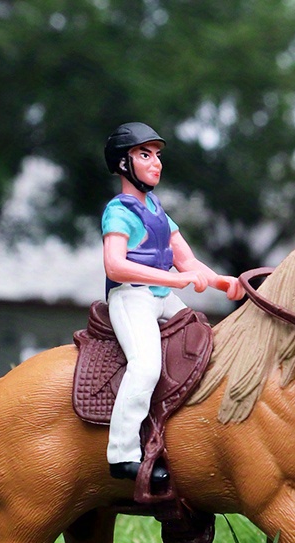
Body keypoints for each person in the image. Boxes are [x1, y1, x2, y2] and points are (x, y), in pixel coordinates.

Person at [102, 122, 244, 482]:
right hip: (131, 297)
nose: (156, 163)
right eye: (145, 155)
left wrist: (219, 280)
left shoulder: (158, 211)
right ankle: (122, 454)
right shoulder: (118, 211)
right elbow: (115, 265)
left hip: (162, 298)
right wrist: (174, 280)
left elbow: (188, 261)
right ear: (123, 164)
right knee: (146, 364)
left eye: (158, 155)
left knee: (204, 343)